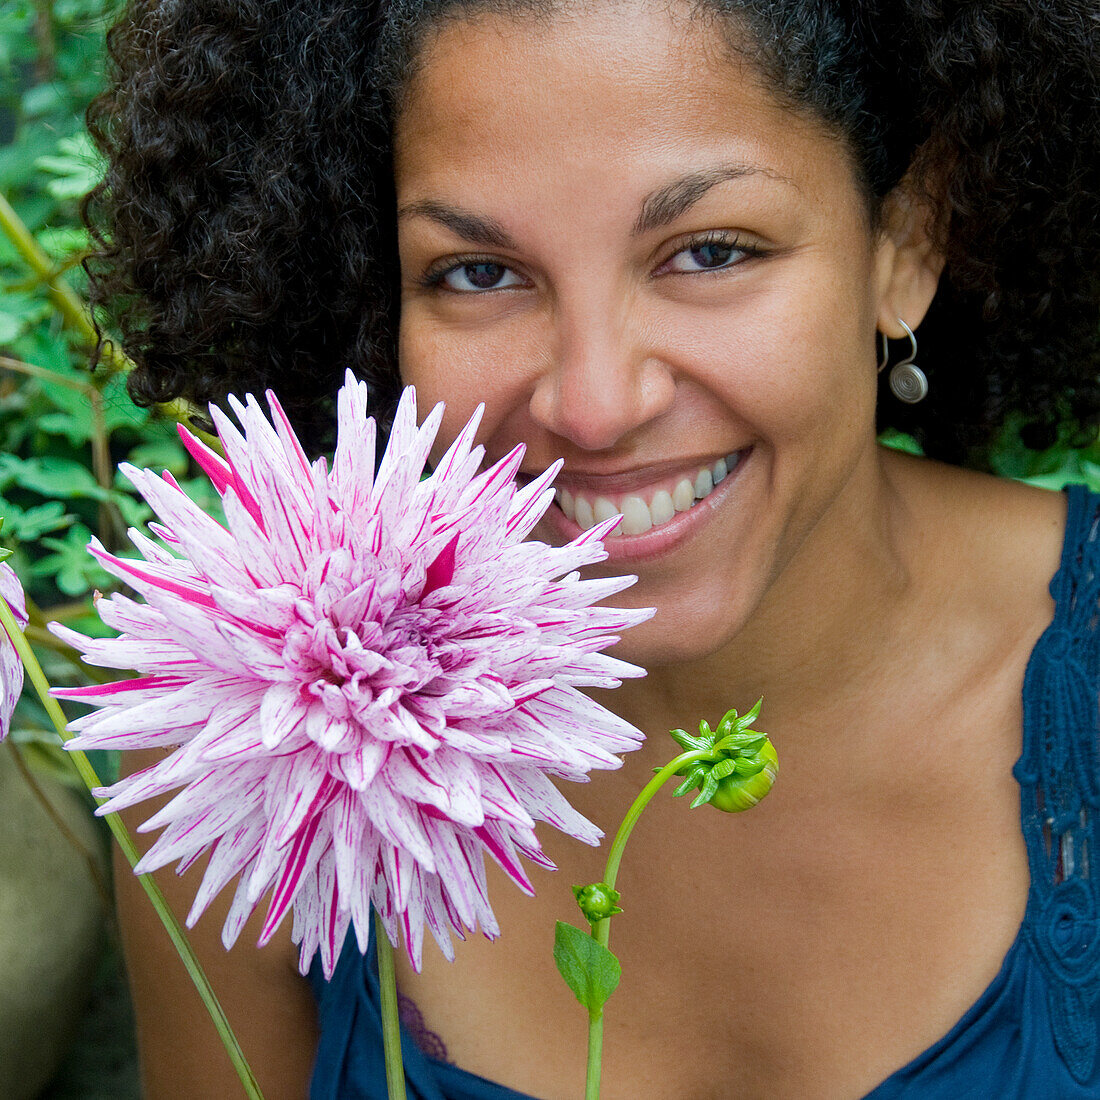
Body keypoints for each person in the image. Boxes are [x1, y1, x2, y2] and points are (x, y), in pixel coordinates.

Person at [82, 0, 1100, 1096]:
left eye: (708, 252)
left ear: (904, 246)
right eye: (477, 271)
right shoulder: (248, 751)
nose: (595, 404)